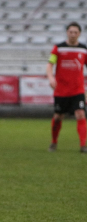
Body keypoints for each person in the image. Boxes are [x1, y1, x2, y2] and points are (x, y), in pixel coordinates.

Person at [46, 22, 87, 153]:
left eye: (76, 32)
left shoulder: (84, 49)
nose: (73, 34)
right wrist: (51, 78)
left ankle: (83, 145)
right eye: (71, 32)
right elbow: (50, 64)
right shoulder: (58, 48)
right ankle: (54, 142)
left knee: (80, 114)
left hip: (78, 89)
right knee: (58, 117)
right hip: (61, 90)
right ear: (67, 33)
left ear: (79, 34)